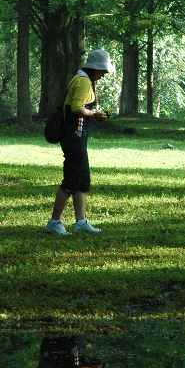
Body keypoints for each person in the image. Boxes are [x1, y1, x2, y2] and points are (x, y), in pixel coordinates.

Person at [46, 48, 115, 236]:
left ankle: (81, 222)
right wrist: (95, 114)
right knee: (71, 180)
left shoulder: (81, 78)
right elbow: (77, 108)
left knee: (82, 180)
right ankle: (54, 222)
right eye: (102, 71)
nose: (103, 75)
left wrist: (94, 114)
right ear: (94, 69)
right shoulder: (84, 81)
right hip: (74, 137)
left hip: (75, 137)